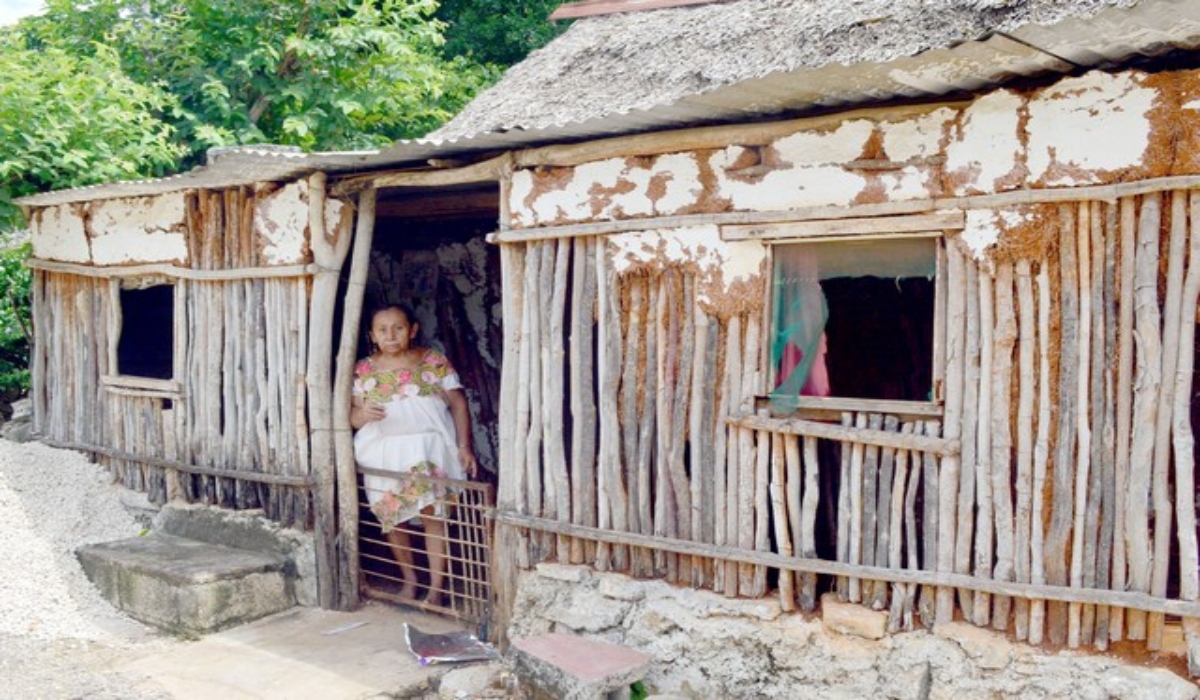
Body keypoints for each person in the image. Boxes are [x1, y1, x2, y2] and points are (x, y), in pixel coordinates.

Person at [350, 303, 477, 605]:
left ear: (413, 329)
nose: (391, 335)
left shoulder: (433, 361)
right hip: (384, 453)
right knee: (394, 519)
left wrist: (464, 446)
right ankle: (409, 580)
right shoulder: (363, 369)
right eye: (382, 329)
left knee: (434, 518)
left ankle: (435, 589)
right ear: (372, 335)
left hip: (429, 449)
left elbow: (459, 404)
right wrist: (363, 412)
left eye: (398, 328)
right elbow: (353, 419)